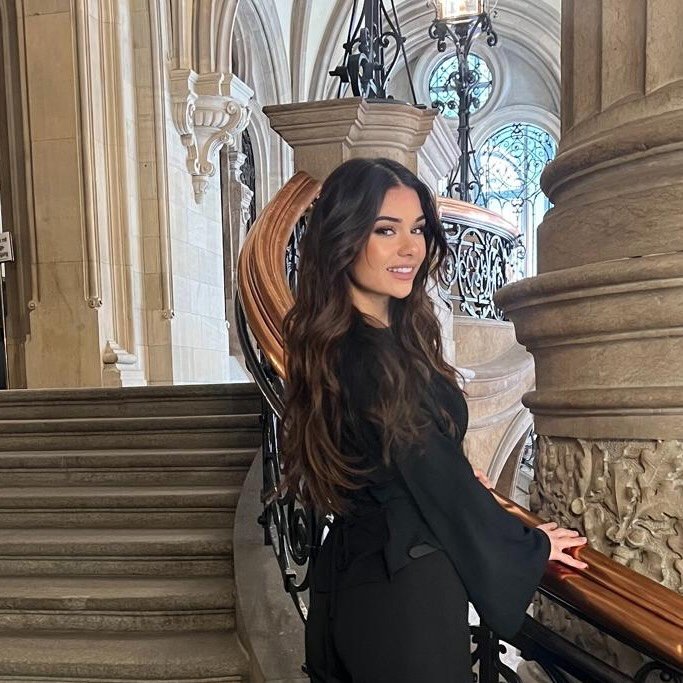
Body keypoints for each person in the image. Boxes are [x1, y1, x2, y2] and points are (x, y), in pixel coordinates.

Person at [282, 158, 587, 683]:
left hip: (356, 579)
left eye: (419, 229)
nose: (410, 248)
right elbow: (437, 482)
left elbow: (407, 461)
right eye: (386, 230)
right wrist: (531, 546)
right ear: (343, 238)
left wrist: (453, 473)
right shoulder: (368, 356)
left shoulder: (343, 343)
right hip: (403, 598)